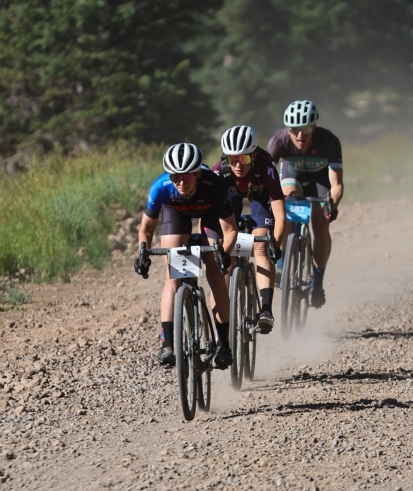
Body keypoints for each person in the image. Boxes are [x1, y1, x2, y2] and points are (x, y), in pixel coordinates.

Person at [134, 143, 238, 367]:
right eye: (176, 177)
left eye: (188, 178)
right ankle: (167, 344)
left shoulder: (214, 185)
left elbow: (230, 230)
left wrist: (225, 254)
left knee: (215, 272)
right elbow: (146, 229)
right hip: (175, 214)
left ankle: (224, 342)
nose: (181, 183)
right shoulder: (161, 187)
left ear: (198, 173)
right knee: (173, 277)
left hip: (209, 213)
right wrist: (143, 252)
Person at [267, 100, 343, 308]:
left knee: (320, 222)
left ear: (315, 127)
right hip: (293, 176)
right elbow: (267, 179)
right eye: (295, 130)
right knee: (285, 208)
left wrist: (332, 204)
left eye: (306, 129)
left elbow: (336, 184)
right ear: (287, 129)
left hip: (320, 181)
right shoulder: (278, 142)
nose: (300, 135)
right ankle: (282, 264)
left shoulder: (329, 141)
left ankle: (318, 284)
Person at [212, 125, 286, 333]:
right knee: (228, 252)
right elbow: (209, 215)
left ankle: (265, 310)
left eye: (243, 159)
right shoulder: (219, 171)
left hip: (260, 196)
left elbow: (281, 215)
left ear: (254, 156)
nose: (237, 165)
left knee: (261, 246)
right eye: (232, 158)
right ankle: (223, 313)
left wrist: (276, 245)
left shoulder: (267, 168)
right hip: (231, 197)